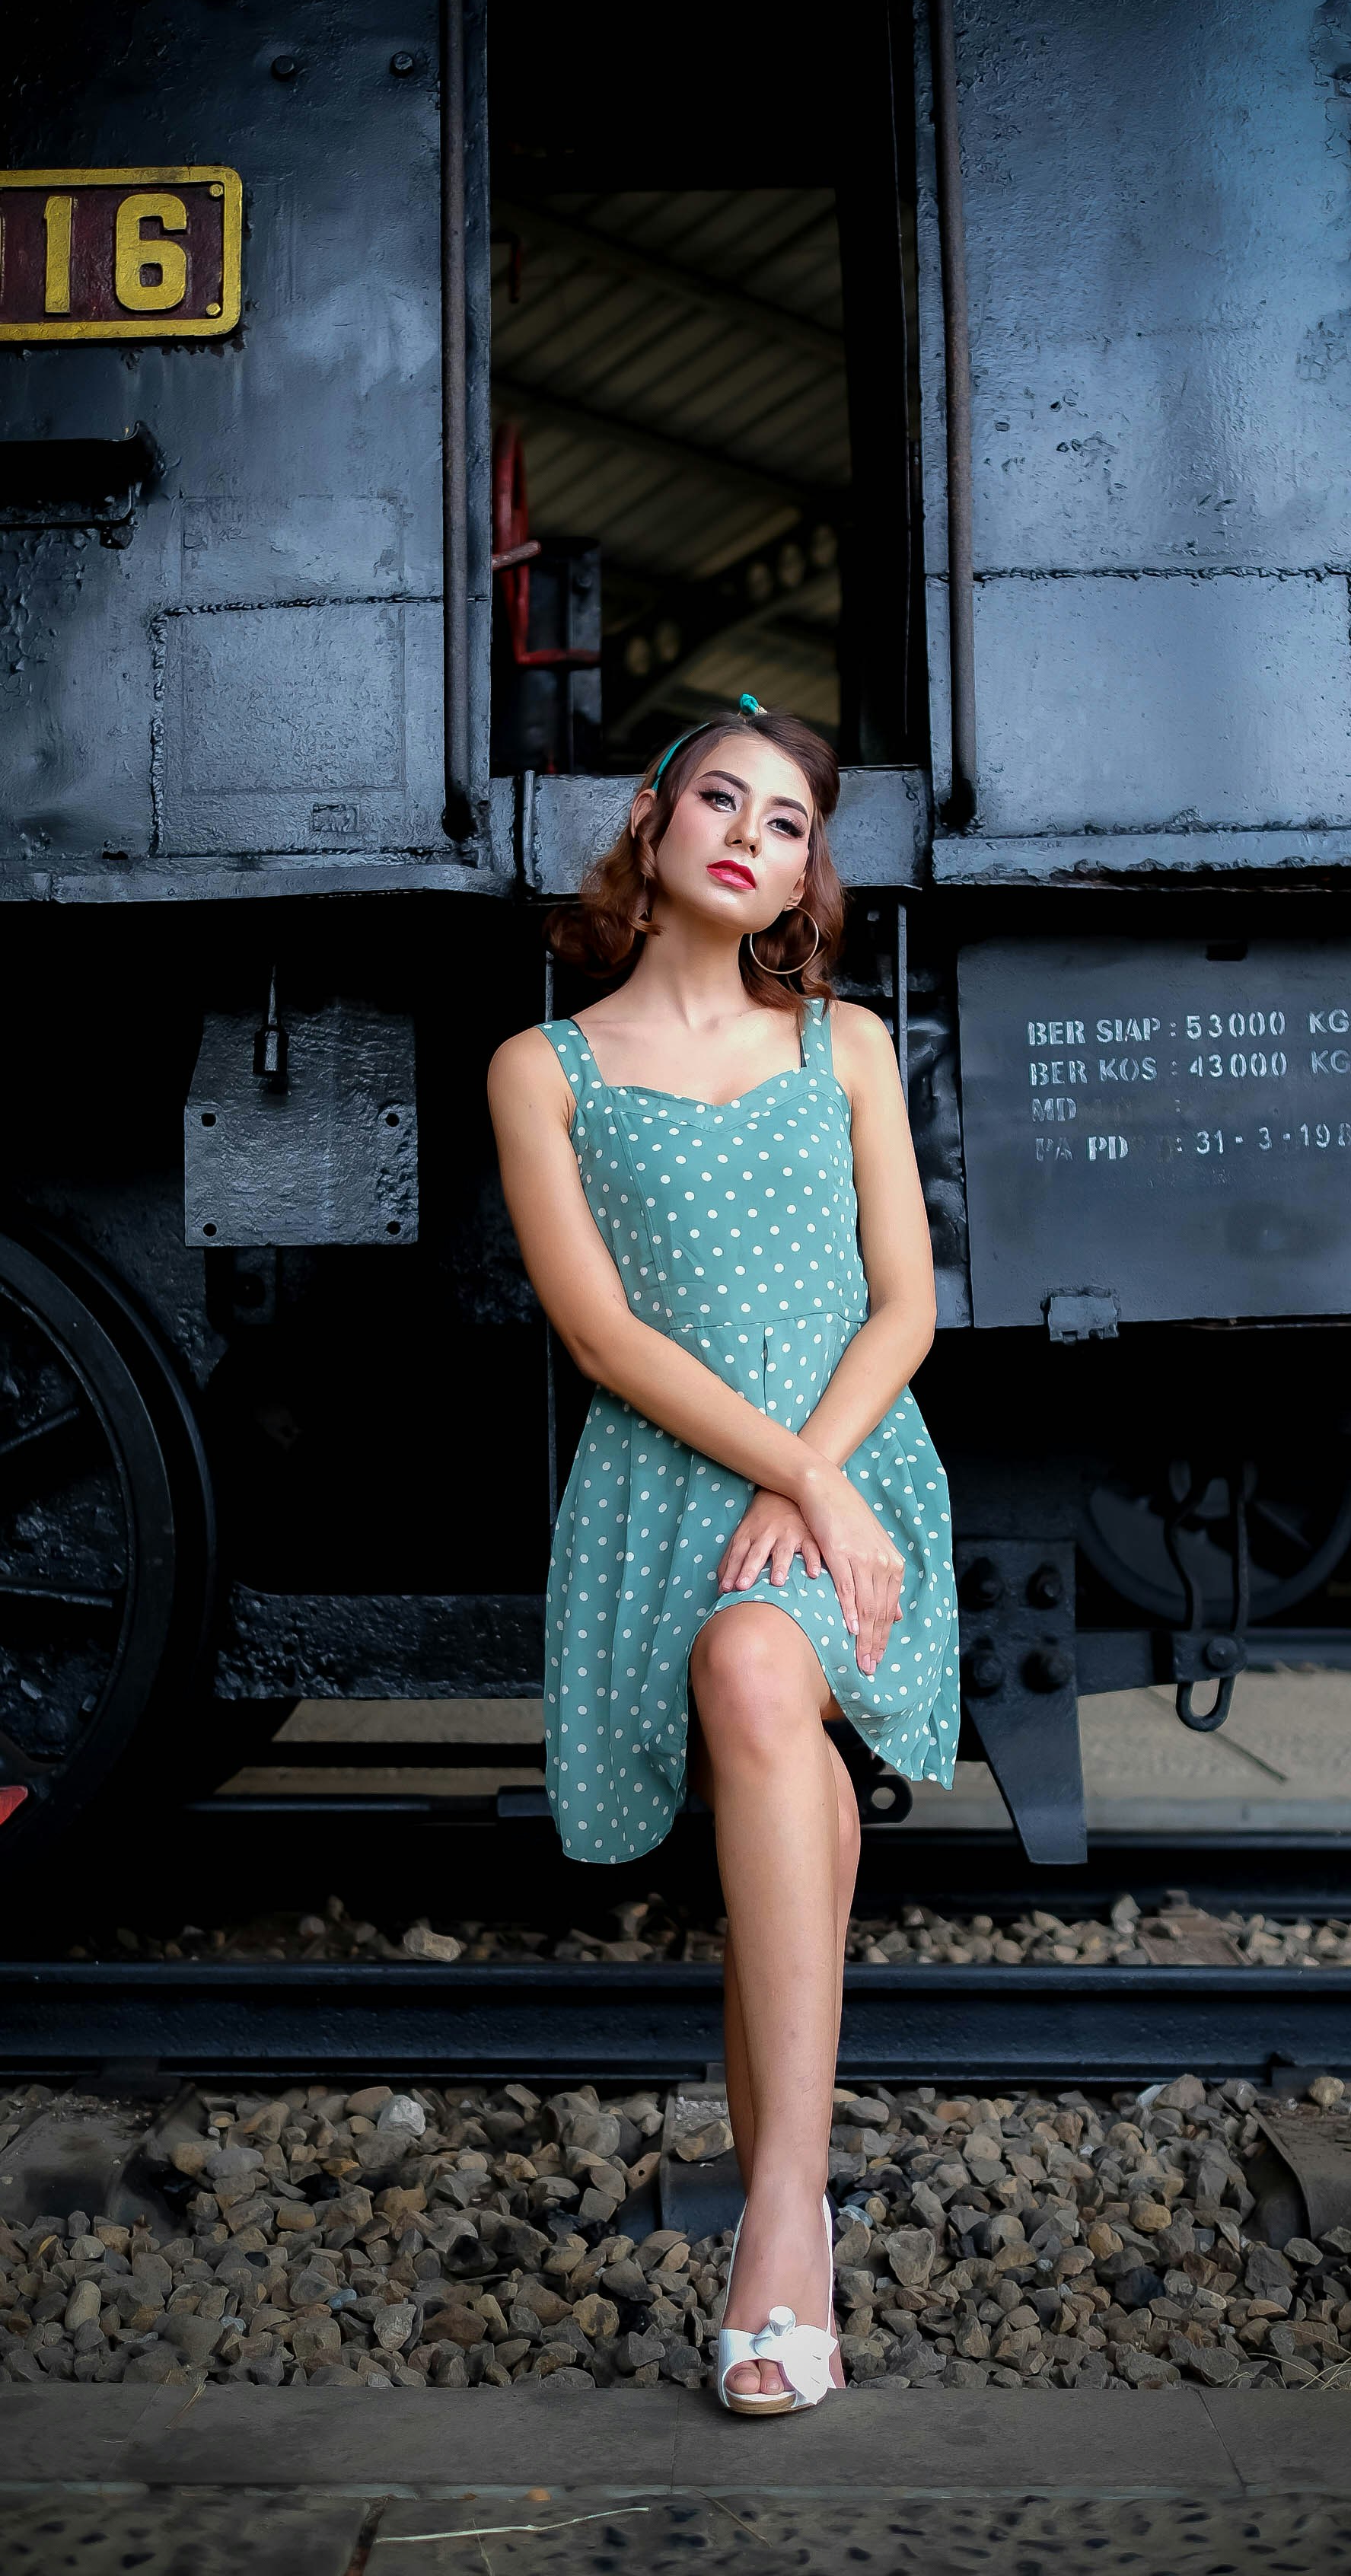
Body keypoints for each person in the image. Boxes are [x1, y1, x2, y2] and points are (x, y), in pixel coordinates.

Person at [486, 697, 959, 2413]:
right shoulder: (544, 1069)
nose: (754, 832)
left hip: (854, 1462)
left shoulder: (847, 1045)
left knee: (765, 1664)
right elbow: (602, 1338)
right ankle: (794, 2202)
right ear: (653, 818)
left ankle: (776, 2213)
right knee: (803, 1794)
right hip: (667, 1489)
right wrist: (781, 1482)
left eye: (790, 820)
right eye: (722, 798)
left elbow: (905, 1305)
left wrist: (822, 1482)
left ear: (804, 873)